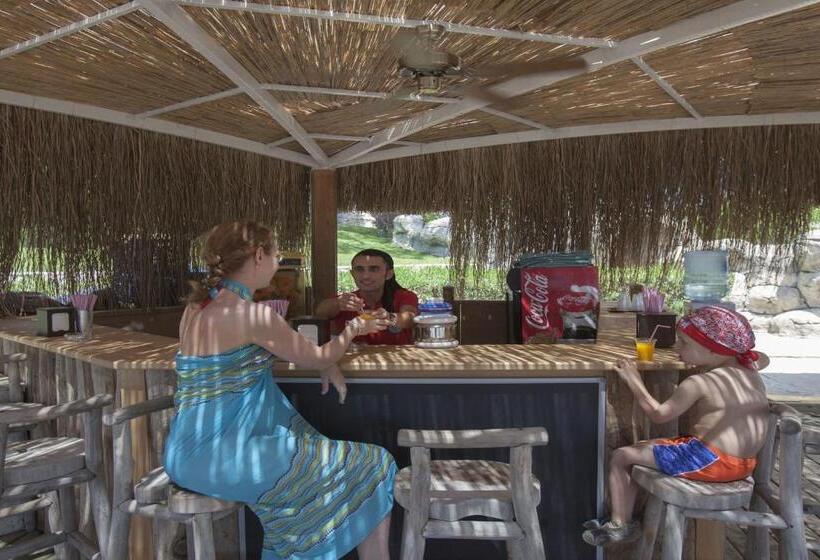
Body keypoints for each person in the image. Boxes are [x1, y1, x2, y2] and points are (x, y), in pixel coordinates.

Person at [164, 221, 396, 560]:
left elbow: (238, 361)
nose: (277, 263)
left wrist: (322, 361)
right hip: (224, 458)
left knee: (358, 466)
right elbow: (318, 356)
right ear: (259, 255)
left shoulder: (196, 308)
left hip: (182, 455)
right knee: (375, 463)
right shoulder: (253, 315)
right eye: (276, 255)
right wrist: (352, 330)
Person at [582, 306, 769, 546]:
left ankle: (621, 525)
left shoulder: (699, 382)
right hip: (743, 465)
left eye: (684, 343)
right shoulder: (751, 368)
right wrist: (705, 358)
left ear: (714, 349)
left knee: (622, 456)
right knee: (644, 446)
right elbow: (762, 356)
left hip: (709, 461)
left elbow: (659, 414)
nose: (677, 348)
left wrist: (634, 380)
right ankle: (622, 518)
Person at [315, 248, 419, 345]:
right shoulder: (346, 300)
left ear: (388, 274)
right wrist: (337, 303)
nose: (366, 276)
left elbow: (410, 319)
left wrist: (389, 317)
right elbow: (320, 312)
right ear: (352, 274)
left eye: (374, 269)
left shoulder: (404, 296)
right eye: (359, 269)